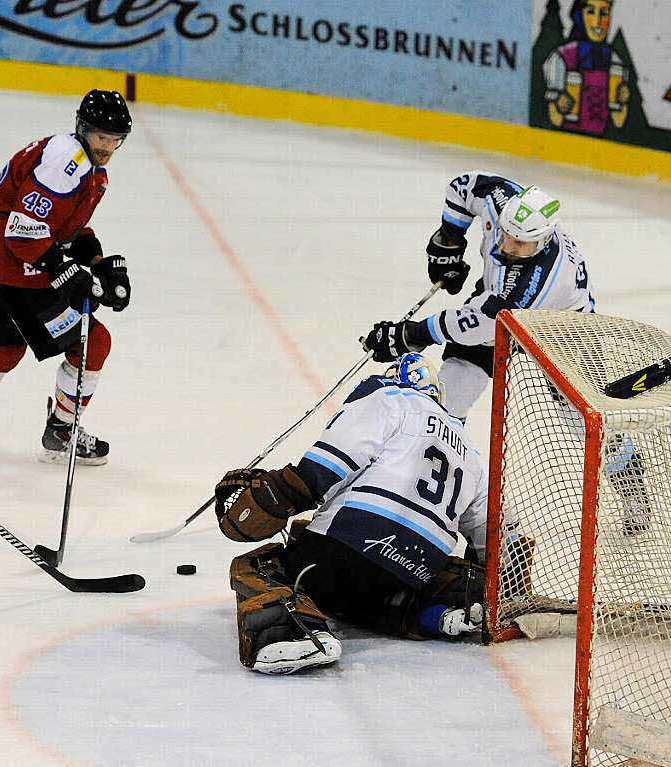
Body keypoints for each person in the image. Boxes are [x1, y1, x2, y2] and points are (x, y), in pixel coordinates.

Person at [214, 354, 509, 675]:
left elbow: (328, 466)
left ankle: (290, 634)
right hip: (412, 571)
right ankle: (442, 607)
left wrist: (280, 493)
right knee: (398, 588)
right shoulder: (473, 454)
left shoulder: (390, 399)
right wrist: (491, 584)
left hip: (349, 545)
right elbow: (491, 536)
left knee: (262, 566)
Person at [0, 89, 133, 465]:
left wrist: (98, 261)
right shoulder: (65, 161)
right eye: (101, 136)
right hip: (17, 260)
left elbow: (62, 229)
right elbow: (24, 230)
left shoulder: (85, 167)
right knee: (93, 341)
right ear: (82, 128)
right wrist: (64, 270)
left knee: (3, 347)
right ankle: (61, 431)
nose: (107, 146)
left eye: (115, 139)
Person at [361, 172, 595, 421]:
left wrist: (414, 334)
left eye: (519, 243)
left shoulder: (532, 283)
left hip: (565, 332)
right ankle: (442, 429)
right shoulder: (500, 200)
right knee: (465, 360)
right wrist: (450, 239)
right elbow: (462, 188)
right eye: (505, 234)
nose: (506, 247)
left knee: (580, 413)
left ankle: (621, 458)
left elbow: (481, 326)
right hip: (496, 301)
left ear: (543, 240)